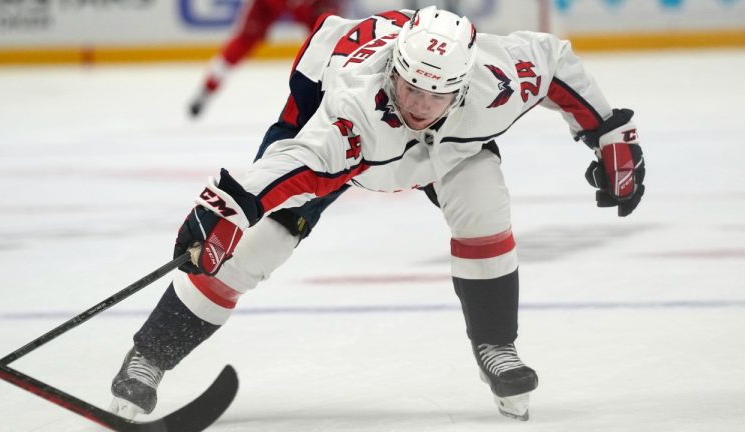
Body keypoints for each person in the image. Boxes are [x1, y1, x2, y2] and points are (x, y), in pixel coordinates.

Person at [110, 6, 645, 422]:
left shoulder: (496, 77)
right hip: (346, 130)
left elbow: (554, 60)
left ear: (463, 85)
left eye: (434, 94)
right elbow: (294, 161)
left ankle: (497, 347)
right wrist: (230, 207)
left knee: (485, 205)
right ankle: (149, 358)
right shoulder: (353, 112)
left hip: (449, 149)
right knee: (257, 246)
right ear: (394, 66)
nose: (417, 104)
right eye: (409, 85)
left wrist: (607, 132)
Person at [188, 0, 340, 118]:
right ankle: (207, 89)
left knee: (330, 39)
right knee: (244, 41)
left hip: (313, 4)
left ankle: (339, 93)